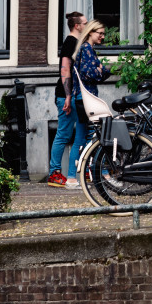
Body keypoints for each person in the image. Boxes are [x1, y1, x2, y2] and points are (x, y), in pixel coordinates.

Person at [67, 19, 112, 190]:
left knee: (82, 137)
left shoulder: (86, 49)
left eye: (103, 34)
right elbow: (90, 73)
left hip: (81, 98)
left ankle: (73, 176)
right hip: (87, 99)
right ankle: (101, 172)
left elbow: (102, 72)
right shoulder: (86, 49)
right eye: (99, 33)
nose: (102, 36)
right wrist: (99, 70)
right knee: (95, 135)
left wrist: (101, 70)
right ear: (90, 32)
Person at [46, 11, 85, 187]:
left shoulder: (76, 42)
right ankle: (54, 173)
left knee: (71, 133)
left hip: (71, 94)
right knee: (63, 133)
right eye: (84, 23)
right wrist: (68, 95)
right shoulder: (70, 42)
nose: (87, 26)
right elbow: (65, 70)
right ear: (77, 26)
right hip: (65, 95)